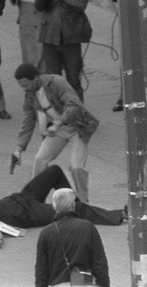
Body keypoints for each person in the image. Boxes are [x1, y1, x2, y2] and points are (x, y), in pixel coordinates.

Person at [0, 165, 125, 242]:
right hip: (30, 213)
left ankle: (76, 209)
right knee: (72, 208)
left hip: (23, 197)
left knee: (54, 171)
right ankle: (119, 215)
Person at [12, 63, 99, 202]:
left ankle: (83, 202)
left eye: (26, 84)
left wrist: (58, 123)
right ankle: (34, 200)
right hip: (59, 128)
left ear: (36, 78)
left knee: (76, 167)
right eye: (21, 85)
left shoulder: (56, 82)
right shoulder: (29, 95)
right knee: (40, 159)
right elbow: (28, 121)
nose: (24, 88)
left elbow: (73, 104)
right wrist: (19, 149)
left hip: (77, 125)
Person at [35, 0, 91, 102]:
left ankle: (78, 115)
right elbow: (39, 6)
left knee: (74, 79)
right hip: (50, 36)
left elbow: (81, 4)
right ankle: (57, 114)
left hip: (71, 35)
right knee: (52, 80)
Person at [35, 188, 110, 287]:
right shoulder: (88, 227)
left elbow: (41, 272)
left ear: (54, 206)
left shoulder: (46, 233)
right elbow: (100, 264)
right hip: (85, 284)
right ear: (73, 205)